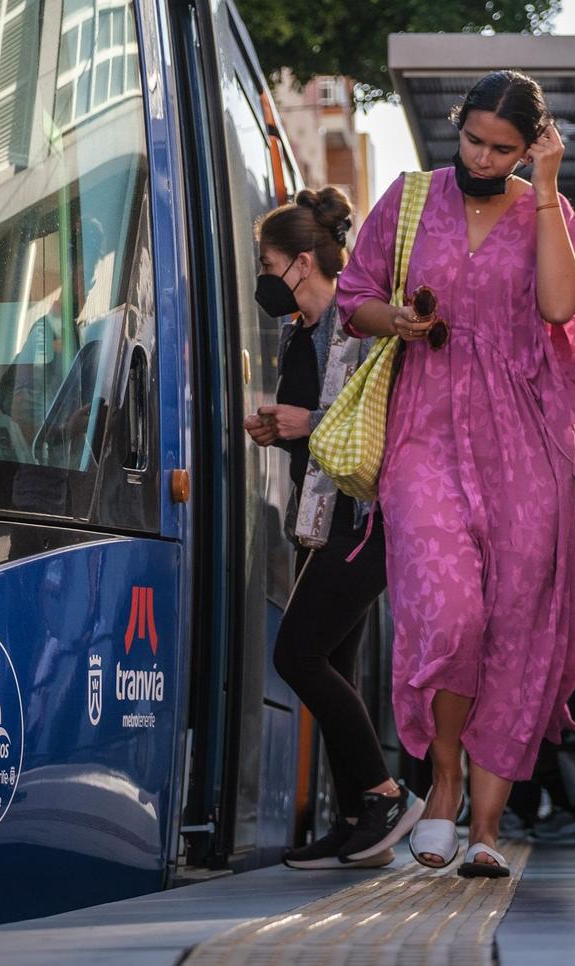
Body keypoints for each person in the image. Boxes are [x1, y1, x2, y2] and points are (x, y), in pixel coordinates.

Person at [336, 69, 575, 877]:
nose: (486, 160)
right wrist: (399, 319)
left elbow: (565, 310)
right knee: (450, 612)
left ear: (531, 146)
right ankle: (445, 782)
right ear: (457, 127)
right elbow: (354, 296)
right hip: (424, 427)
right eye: (474, 141)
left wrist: (552, 186)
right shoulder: (409, 198)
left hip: (526, 440)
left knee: (517, 626)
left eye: (505, 149)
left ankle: (488, 830)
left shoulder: (546, 211)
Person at [244, 188, 420, 869]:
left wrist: (305, 423)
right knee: (333, 662)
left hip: (370, 519)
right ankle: (355, 824)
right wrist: (279, 430)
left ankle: (385, 793)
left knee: (297, 656)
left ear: (302, 261)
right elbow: (309, 435)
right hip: (323, 519)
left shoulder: (361, 326)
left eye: (268, 261)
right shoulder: (299, 335)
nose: (263, 276)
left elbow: (390, 426)